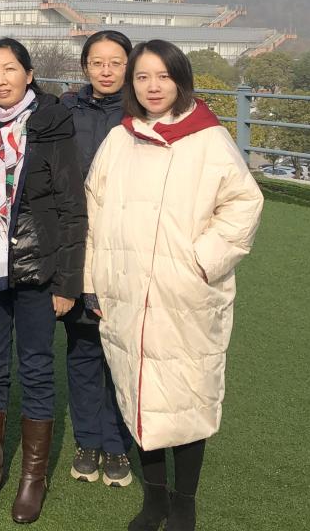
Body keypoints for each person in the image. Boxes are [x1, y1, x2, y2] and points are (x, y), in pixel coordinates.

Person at [84, 40, 264, 531]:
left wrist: (201, 261)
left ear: (180, 79)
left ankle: (184, 503)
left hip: (185, 296)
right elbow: (94, 212)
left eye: (163, 76)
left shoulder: (208, 139)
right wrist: (93, 279)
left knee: (186, 398)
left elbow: (244, 204)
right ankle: (155, 499)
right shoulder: (120, 139)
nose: (153, 86)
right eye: (142, 77)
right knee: (139, 394)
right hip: (126, 293)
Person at [0, 38, 87, 524]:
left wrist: (67, 283)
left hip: (38, 268)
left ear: (29, 74)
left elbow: (72, 207)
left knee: (35, 368)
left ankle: (33, 477)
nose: (0, 79)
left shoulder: (51, 122)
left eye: (10, 69)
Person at [58, 30, 135, 488]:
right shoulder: (66, 108)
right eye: (98, 62)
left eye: (116, 62)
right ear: (85, 65)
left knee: (121, 351)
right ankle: (88, 440)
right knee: (84, 347)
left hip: (127, 248)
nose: (106, 71)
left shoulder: (142, 112)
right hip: (78, 244)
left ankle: (118, 443)